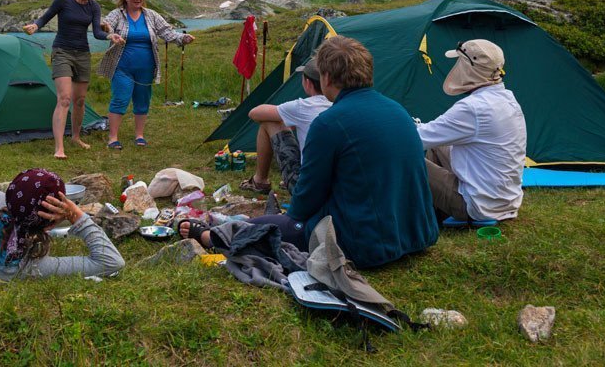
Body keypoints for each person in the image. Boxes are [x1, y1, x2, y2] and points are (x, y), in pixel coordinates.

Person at [179, 37, 438, 269]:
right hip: (416, 234)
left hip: (366, 246)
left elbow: (303, 204)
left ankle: (210, 236)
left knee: (281, 226)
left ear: (326, 78)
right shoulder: (397, 110)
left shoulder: (330, 122)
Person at [416, 39, 527, 222]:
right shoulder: (508, 99)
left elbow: (417, 138)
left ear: (467, 68)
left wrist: (397, 124)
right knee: (436, 146)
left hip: (477, 206)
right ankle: (431, 209)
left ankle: (419, 215)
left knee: (408, 156)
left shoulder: (472, 108)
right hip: (507, 201)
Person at [23, 0, 123, 159]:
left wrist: (110, 35)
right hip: (62, 51)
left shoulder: (94, 7)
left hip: (82, 54)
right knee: (65, 99)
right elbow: (45, 17)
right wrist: (35, 26)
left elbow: (96, 33)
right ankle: (59, 148)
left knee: (80, 100)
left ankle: (75, 137)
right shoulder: (63, 0)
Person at [97, 0, 195, 149]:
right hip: (121, 67)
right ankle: (113, 138)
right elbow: (106, 26)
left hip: (146, 68)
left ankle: (139, 136)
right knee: (120, 99)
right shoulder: (117, 14)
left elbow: (167, 32)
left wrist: (182, 38)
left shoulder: (151, 15)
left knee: (142, 101)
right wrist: (107, 30)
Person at [240, 58, 331, 193]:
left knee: (269, 121)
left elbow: (254, 113)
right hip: (341, 186)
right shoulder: (345, 104)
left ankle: (260, 181)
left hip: (307, 190)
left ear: (307, 83)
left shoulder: (303, 106)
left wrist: (286, 120)